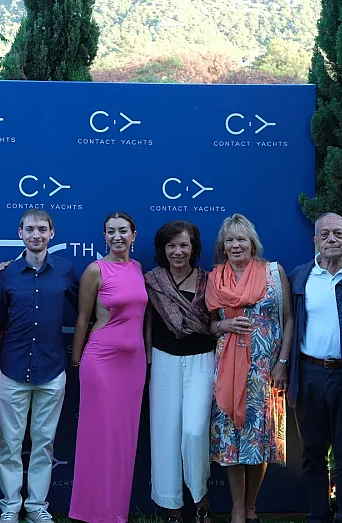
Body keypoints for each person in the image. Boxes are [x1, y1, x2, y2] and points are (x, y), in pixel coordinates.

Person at [0, 209, 79, 523]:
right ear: (20, 233)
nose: (36, 235)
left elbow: (84, 310)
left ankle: (36, 507)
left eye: (42, 229)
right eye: (30, 229)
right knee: (10, 443)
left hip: (52, 370)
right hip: (13, 369)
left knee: (44, 443)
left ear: (52, 233)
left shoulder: (65, 270)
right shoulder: (8, 273)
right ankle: (10, 507)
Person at [206, 213, 293, 523]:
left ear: (252, 243)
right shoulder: (215, 278)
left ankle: (252, 507)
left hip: (265, 371)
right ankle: (237, 510)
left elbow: (289, 320)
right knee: (231, 438)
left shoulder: (273, 273)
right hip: (227, 372)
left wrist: (283, 363)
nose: (235, 245)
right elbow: (210, 325)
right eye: (229, 240)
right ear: (223, 246)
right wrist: (224, 325)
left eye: (241, 239)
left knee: (259, 437)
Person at [286, 213, 342, 523]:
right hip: (309, 374)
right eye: (324, 234)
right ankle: (318, 515)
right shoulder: (300, 276)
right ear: (315, 241)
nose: (331, 239)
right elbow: (288, 323)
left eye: (338, 233)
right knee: (312, 452)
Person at [69, 212, 149, 523]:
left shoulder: (137, 268)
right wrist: (76, 359)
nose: (117, 236)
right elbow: (82, 319)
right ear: (104, 236)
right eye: (111, 231)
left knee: (123, 439)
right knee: (99, 437)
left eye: (123, 231)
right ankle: (90, 510)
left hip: (133, 365)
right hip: (101, 362)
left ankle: (115, 511)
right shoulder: (95, 270)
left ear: (133, 235)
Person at [143, 220, 214, 523]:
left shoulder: (209, 280)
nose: (177, 251)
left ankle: (201, 501)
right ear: (163, 249)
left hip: (202, 360)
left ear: (193, 248)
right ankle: (172, 508)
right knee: (165, 434)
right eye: (171, 245)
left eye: (184, 245)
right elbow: (144, 321)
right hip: (164, 360)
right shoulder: (152, 281)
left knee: (194, 432)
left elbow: (217, 320)